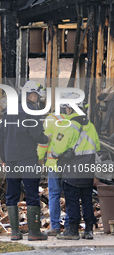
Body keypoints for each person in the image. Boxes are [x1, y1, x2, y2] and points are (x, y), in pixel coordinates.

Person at [0, 80, 49, 241]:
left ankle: (15, 232)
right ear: (32, 95)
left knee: (12, 194)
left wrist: (4, 158)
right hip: (27, 158)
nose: (38, 99)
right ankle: (34, 232)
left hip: (11, 159)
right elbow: (36, 134)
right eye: (37, 96)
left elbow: (1, 136)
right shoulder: (31, 110)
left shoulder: (9, 110)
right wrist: (46, 139)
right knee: (32, 193)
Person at [51, 93, 100, 240]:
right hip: (87, 170)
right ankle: (89, 230)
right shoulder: (90, 126)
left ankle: (72, 230)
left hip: (72, 171)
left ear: (71, 109)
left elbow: (57, 149)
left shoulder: (68, 126)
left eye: (66, 107)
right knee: (87, 200)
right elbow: (96, 146)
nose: (65, 110)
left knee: (72, 200)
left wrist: (54, 152)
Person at [37, 108, 69, 236]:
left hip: (54, 164)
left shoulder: (51, 119)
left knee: (54, 195)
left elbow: (44, 142)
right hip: (69, 165)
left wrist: (39, 158)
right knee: (70, 195)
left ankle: (55, 227)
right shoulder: (73, 120)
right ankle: (69, 226)